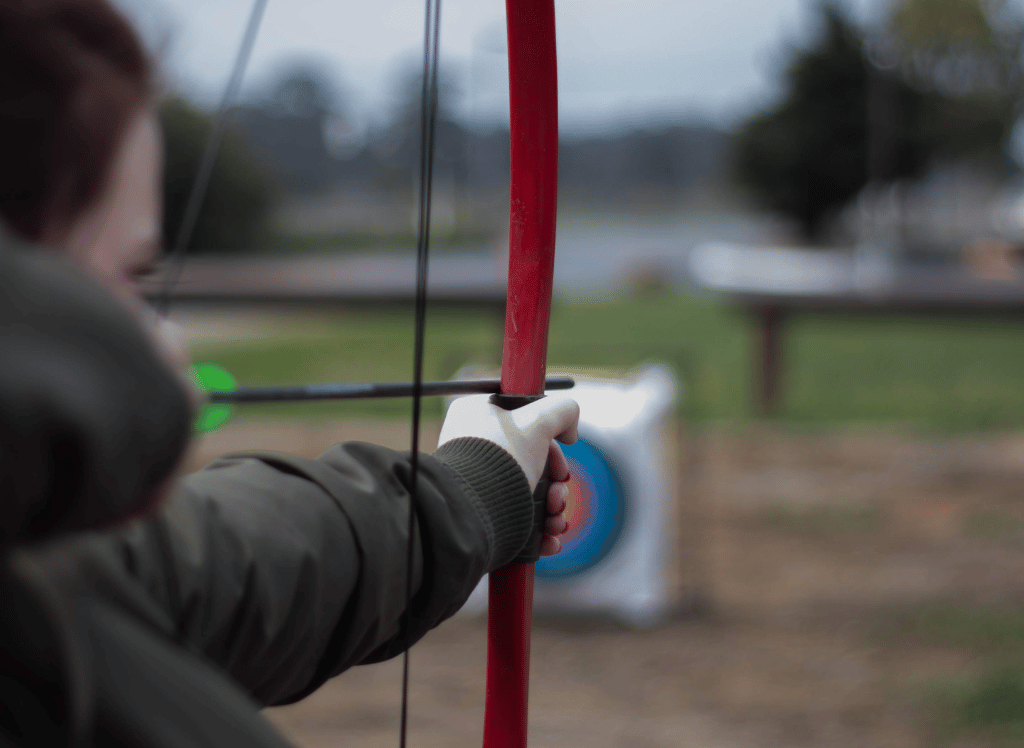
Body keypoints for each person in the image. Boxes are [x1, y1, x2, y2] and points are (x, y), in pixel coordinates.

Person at [0, 1, 580, 746]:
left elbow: (231, 568)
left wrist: (475, 485)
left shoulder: (38, 569)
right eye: (130, 279)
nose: (162, 341)